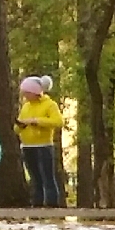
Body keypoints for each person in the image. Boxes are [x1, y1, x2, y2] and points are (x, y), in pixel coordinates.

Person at [17, 77, 65, 207]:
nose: (25, 95)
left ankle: (52, 204)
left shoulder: (50, 105)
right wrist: (20, 126)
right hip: (27, 146)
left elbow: (58, 122)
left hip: (44, 145)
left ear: (35, 92)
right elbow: (18, 126)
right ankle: (37, 204)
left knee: (47, 177)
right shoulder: (26, 106)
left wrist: (36, 121)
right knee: (35, 177)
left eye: (27, 92)